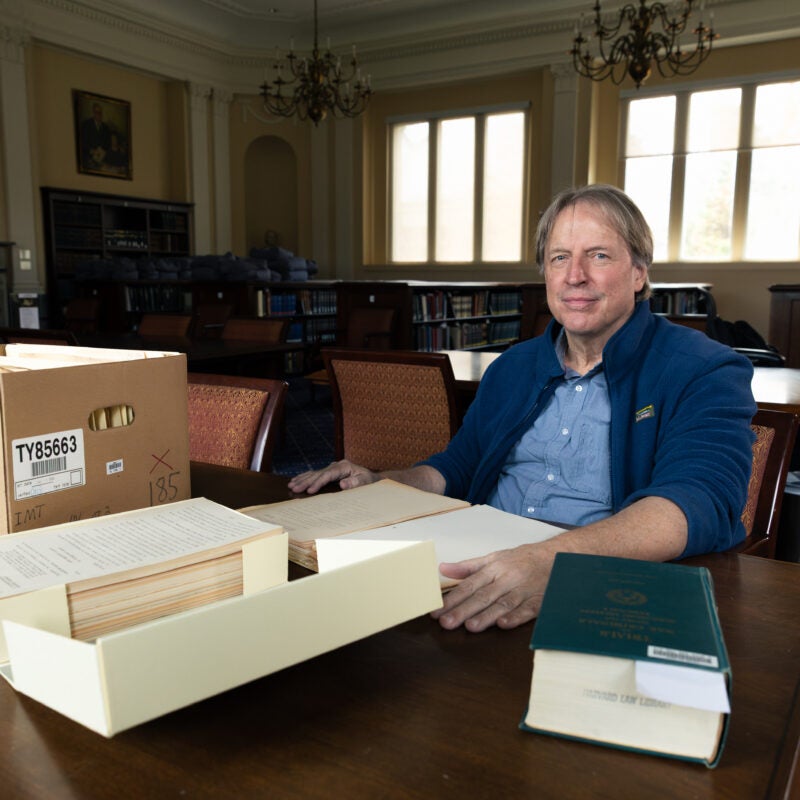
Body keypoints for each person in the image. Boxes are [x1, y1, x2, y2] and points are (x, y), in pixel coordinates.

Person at [288, 184, 756, 633]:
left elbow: (695, 503)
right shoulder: (513, 367)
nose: (575, 275)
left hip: (603, 586)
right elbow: (458, 466)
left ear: (639, 272)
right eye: (559, 258)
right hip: (475, 569)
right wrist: (381, 483)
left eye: (598, 255)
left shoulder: (705, 369)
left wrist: (550, 560)